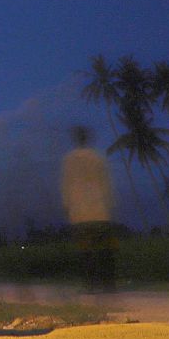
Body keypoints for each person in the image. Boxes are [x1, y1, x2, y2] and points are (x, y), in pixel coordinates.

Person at [61, 125, 116, 292]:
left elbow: (66, 185)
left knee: (86, 251)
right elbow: (106, 183)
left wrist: (67, 206)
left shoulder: (69, 160)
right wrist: (109, 204)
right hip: (100, 211)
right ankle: (108, 285)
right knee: (105, 250)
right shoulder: (97, 158)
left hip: (80, 214)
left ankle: (90, 285)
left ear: (76, 139)